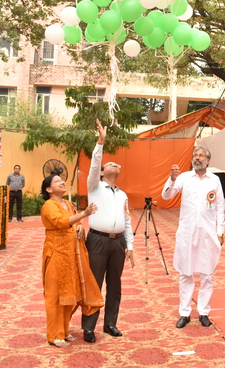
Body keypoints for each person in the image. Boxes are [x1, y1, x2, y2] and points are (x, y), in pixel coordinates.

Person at [82, 120, 135, 343]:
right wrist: (101, 142)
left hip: (118, 243)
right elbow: (94, 165)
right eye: (110, 164)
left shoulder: (122, 194)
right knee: (94, 283)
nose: (115, 166)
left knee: (115, 284)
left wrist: (129, 245)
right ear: (103, 172)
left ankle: (110, 323)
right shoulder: (94, 186)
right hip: (97, 241)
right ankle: (88, 327)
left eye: (117, 165)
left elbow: (127, 220)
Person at [163, 145, 225, 329]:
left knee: (207, 274)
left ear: (208, 160)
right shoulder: (183, 178)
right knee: (186, 273)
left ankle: (204, 312)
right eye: (195, 155)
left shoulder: (214, 180)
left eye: (200, 156)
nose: (197, 158)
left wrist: (220, 231)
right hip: (187, 233)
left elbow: (220, 207)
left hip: (208, 234)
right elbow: (167, 196)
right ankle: (184, 312)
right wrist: (171, 179)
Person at [41, 174, 103, 348]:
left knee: (70, 296)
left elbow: (75, 223)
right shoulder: (49, 205)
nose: (62, 182)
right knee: (55, 297)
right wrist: (84, 214)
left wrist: (80, 228)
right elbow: (61, 223)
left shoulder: (68, 204)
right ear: (48, 189)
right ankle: (53, 335)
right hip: (56, 255)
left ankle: (64, 331)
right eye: (57, 181)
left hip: (71, 256)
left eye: (62, 180)